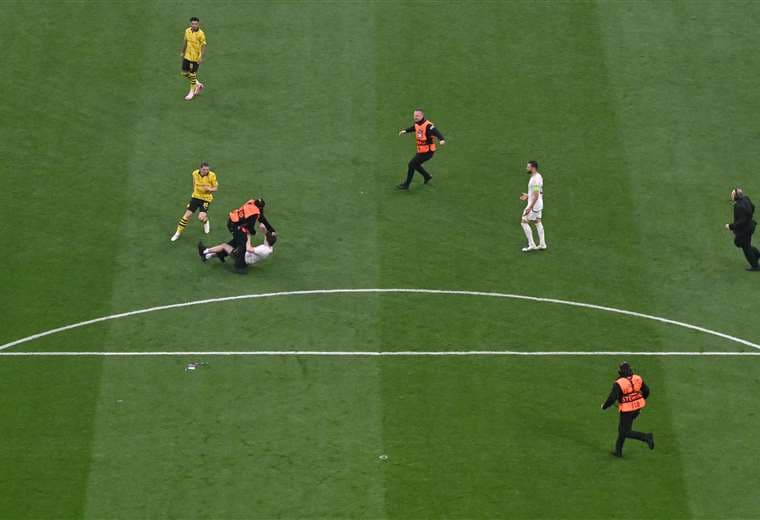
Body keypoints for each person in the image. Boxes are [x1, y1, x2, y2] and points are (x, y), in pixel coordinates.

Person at [601, 362, 655, 458]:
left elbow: (612, 398)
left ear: (620, 372)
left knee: (624, 432)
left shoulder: (619, 383)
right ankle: (618, 451)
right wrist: (640, 399)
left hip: (627, 410)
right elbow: (646, 391)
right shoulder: (637, 378)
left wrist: (604, 406)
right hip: (638, 407)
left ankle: (646, 437)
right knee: (623, 429)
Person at [397, 109, 445, 190]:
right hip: (421, 151)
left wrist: (441, 139)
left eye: (417, 116)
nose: (415, 117)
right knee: (415, 164)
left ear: (422, 116)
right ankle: (427, 176)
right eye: (414, 115)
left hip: (428, 152)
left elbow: (436, 132)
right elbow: (414, 128)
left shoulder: (428, 126)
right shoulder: (418, 123)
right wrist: (405, 131)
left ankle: (406, 185)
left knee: (411, 164)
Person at [171, 162, 218, 241]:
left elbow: (215, 188)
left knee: (201, 217)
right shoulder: (195, 173)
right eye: (204, 169)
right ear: (200, 169)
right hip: (196, 197)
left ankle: (206, 222)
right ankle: (177, 233)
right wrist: (194, 192)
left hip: (206, 199)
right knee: (186, 216)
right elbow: (194, 183)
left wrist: (209, 189)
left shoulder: (212, 175)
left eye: (207, 170)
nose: (206, 171)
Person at [226, 199, 275, 270]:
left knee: (237, 242)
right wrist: (251, 234)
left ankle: (210, 252)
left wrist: (270, 230)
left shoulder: (251, 203)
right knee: (241, 243)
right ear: (260, 207)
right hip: (234, 224)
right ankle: (238, 265)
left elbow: (261, 218)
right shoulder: (255, 212)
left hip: (233, 219)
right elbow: (250, 227)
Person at [198, 224, 277, 267]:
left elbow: (249, 249)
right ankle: (207, 256)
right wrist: (265, 230)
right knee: (235, 243)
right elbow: (267, 236)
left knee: (224, 246)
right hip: (244, 257)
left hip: (242, 258)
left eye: (265, 237)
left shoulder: (264, 249)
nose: (264, 237)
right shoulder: (269, 247)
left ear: (267, 240)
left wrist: (248, 236)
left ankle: (205, 251)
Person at [726, 188, 759, 271]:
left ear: (736, 196)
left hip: (746, 230)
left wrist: (730, 226)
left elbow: (740, 222)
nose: (731, 195)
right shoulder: (746, 198)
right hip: (750, 226)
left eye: (733, 194)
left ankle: (755, 266)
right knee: (746, 245)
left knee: (745, 247)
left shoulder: (738, 206)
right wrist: (749, 217)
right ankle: (757, 255)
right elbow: (753, 207)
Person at [519, 160, 547, 252]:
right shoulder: (538, 176)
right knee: (537, 221)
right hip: (539, 204)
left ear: (533, 168)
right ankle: (542, 244)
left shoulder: (535, 180)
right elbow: (537, 192)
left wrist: (529, 208)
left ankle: (532, 245)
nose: (527, 168)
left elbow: (536, 195)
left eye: (528, 167)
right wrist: (528, 196)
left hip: (534, 205)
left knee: (523, 221)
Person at [180, 17, 207, 101]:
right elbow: (185, 41)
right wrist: (182, 51)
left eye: (196, 24)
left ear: (198, 24)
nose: (194, 25)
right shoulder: (187, 31)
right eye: (192, 23)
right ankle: (198, 84)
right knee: (184, 73)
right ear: (190, 24)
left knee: (192, 74)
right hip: (187, 56)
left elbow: (204, 45)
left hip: (195, 58)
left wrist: (201, 57)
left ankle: (191, 92)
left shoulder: (201, 34)